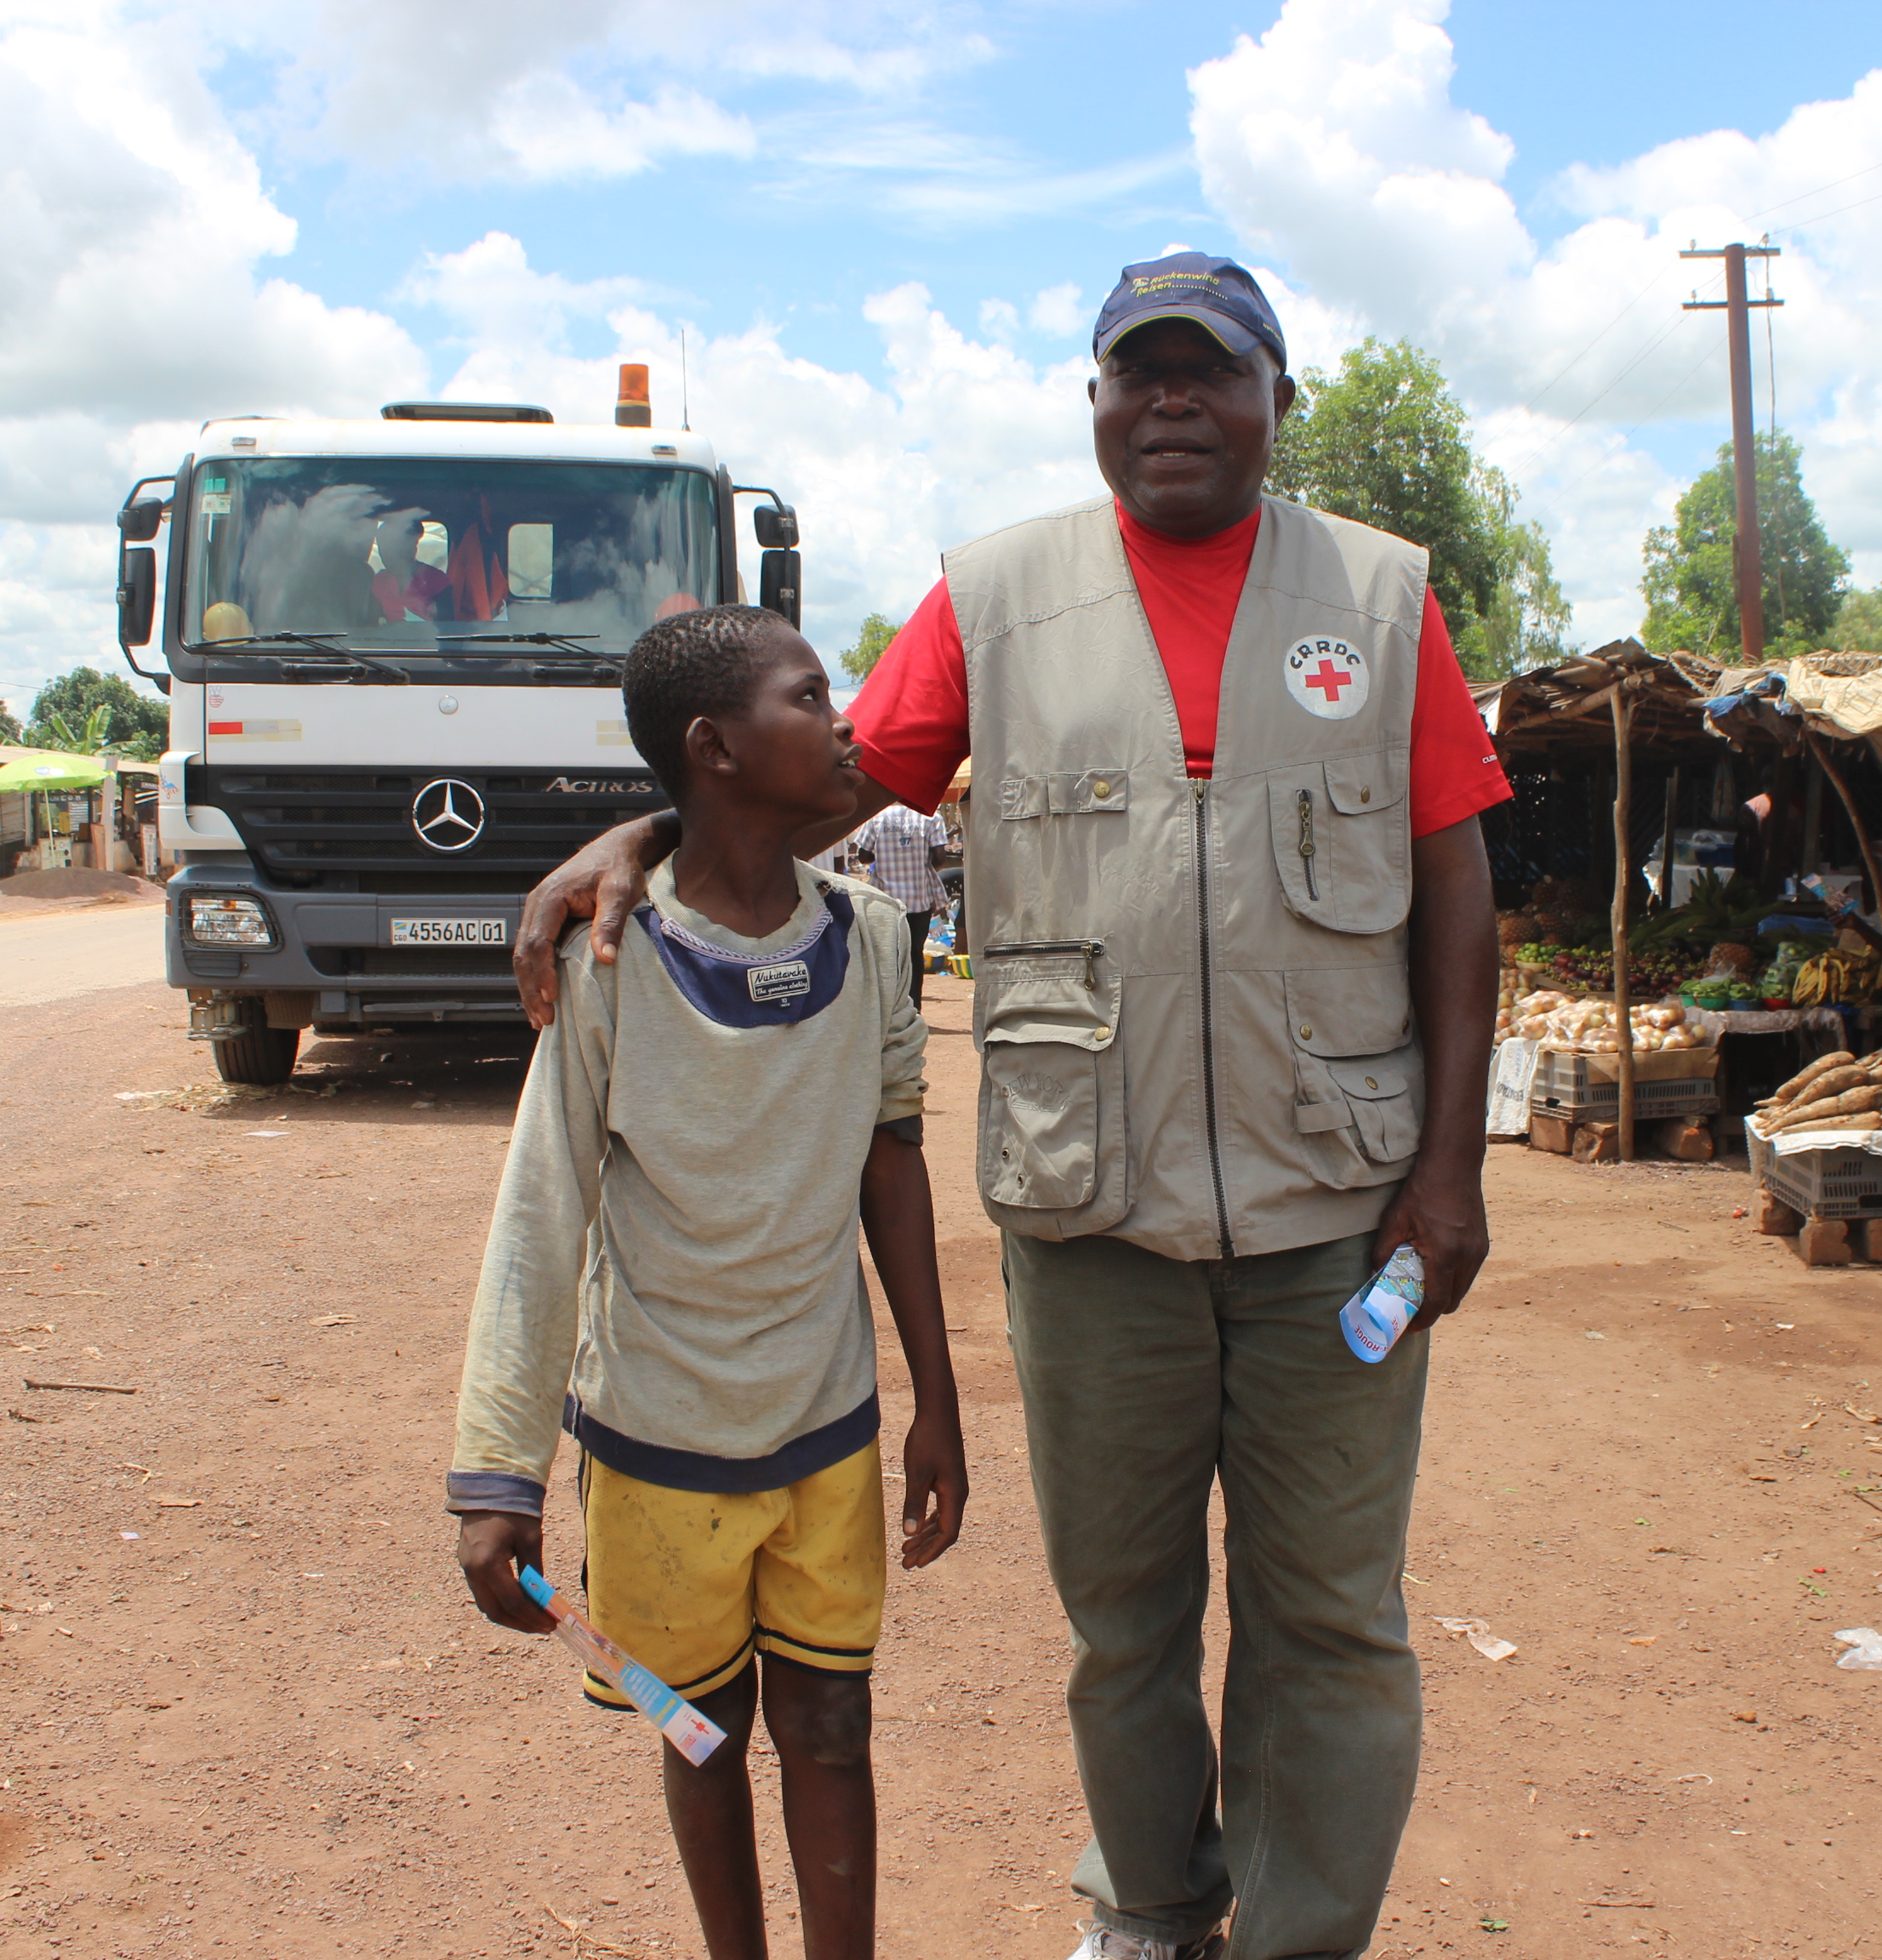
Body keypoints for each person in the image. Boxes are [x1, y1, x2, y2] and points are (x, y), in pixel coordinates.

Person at [511, 252, 1504, 1960]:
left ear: (1276, 400)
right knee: (1121, 1613)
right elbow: (812, 792)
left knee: (1334, 1616)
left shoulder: (1381, 596)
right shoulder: (997, 597)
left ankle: (1297, 1934)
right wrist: (646, 833)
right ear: (1095, 403)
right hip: (1089, 1217)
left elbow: (1457, 889)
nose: (1173, 401)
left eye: (1212, 371)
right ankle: (1151, 1907)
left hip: (1337, 1220)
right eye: (1140, 373)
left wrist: (1451, 1171)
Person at [450, 607, 966, 1960]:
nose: (842, 721)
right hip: (655, 1443)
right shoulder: (609, 959)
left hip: (824, 1429)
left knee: (834, 1723)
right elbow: (543, 1210)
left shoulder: (870, 938)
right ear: (715, 748)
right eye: (809, 695)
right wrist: (499, 1477)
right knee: (699, 1731)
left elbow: (893, 1166)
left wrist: (937, 1398)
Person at [849, 800, 952, 1007]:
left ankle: (888, 1008)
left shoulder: (877, 817)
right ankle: (913, 1008)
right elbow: (940, 858)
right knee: (914, 954)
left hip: (885, 901)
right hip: (919, 899)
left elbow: (864, 855)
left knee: (886, 954)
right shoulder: (930, 816)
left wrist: (884, 855)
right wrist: (921, 865)